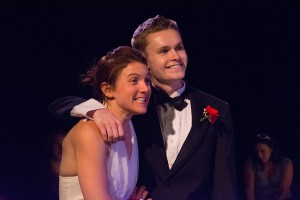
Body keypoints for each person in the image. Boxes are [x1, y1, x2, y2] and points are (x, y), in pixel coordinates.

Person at [48, 15, 238, 200]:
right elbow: (58, 105)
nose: (175, 56)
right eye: (164, 51)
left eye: (179, 47)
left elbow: (224, 183)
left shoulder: (216, 108)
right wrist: (95, 111)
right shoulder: (134, 105)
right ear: (144, 60)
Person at [58, 46, 152, 200]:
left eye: (147, 80)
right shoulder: (89, 131)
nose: (145, 88)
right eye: (134, 80)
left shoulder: (129, 127)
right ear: (108, 90)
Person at [244, 134, 294, 200]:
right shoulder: (251, 163)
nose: (259, 155)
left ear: (271, 149)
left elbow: (283, 190)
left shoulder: (286, 163)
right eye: (257, 152)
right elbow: (249, 189)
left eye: (262, 151)